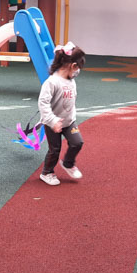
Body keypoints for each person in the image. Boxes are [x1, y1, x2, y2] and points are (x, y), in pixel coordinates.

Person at [38, 42, 86, 186]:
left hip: (68, 121)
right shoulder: (52, 82)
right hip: (52, 123)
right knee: (55, 150)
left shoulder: (71, 76)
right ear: (72, 66)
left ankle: (68, 163)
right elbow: (43, 103)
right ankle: (47, 173)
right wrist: (53, 121)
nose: (78, 71)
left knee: (77, 142)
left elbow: (74, 68)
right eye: (77, 67)